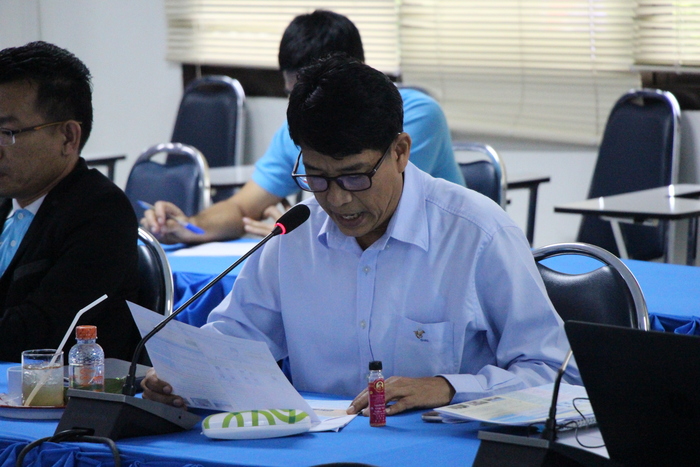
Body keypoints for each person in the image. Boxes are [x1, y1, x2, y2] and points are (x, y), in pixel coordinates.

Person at [142, 55, 580, 416]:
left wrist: (449, 388)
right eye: (316, 177)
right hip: (315, 451)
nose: (337, 200)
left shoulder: (476, 235)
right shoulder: (295, 233)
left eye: (355, 177)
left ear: (400, 152)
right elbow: (236, 337)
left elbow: (557, 374)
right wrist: (186, 373)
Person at [142, 10, 465, 245]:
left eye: (312, 93)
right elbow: (243, 207)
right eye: (294, 94)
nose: (302, 107)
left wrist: (297, 233)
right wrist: (190, 225)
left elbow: (375, 211)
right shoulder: (298, 126)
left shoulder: (415, 114)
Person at [0, 41, 140, 362]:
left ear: (68, 137)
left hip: (67, 389)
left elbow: (37, 333)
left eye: (7, 132)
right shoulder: (6, 200)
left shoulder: (102, 213)